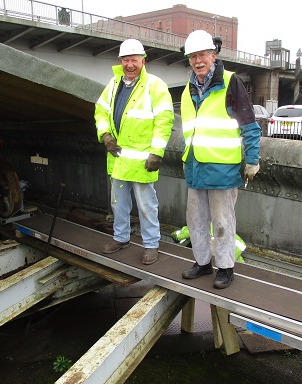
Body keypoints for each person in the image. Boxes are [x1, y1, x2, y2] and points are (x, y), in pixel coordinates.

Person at [179, 30, 261, 288]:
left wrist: (252, 159)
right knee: (195, 220)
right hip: (195, 167)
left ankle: (225, 267)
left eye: (202, 54)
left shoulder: (230, 82)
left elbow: (249, 125)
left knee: (223, 222)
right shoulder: (189, 87)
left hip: (222, 168)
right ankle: (202, 262)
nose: (198, 60)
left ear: (213, 55)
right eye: (193, 56)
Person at [95, 39, 174, 265]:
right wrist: (106, 136)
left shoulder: (155, 85)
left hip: (142, 160)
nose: (130, 65)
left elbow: (164, 120)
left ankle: (151, 245)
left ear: (143, 61)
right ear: (121, 61)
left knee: (146, 204)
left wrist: (157, 152)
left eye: (134, 60)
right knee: (118, 203)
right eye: (126, 60)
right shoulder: (114, 84)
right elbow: (100, 111)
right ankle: (121, 238)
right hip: (119, 158)